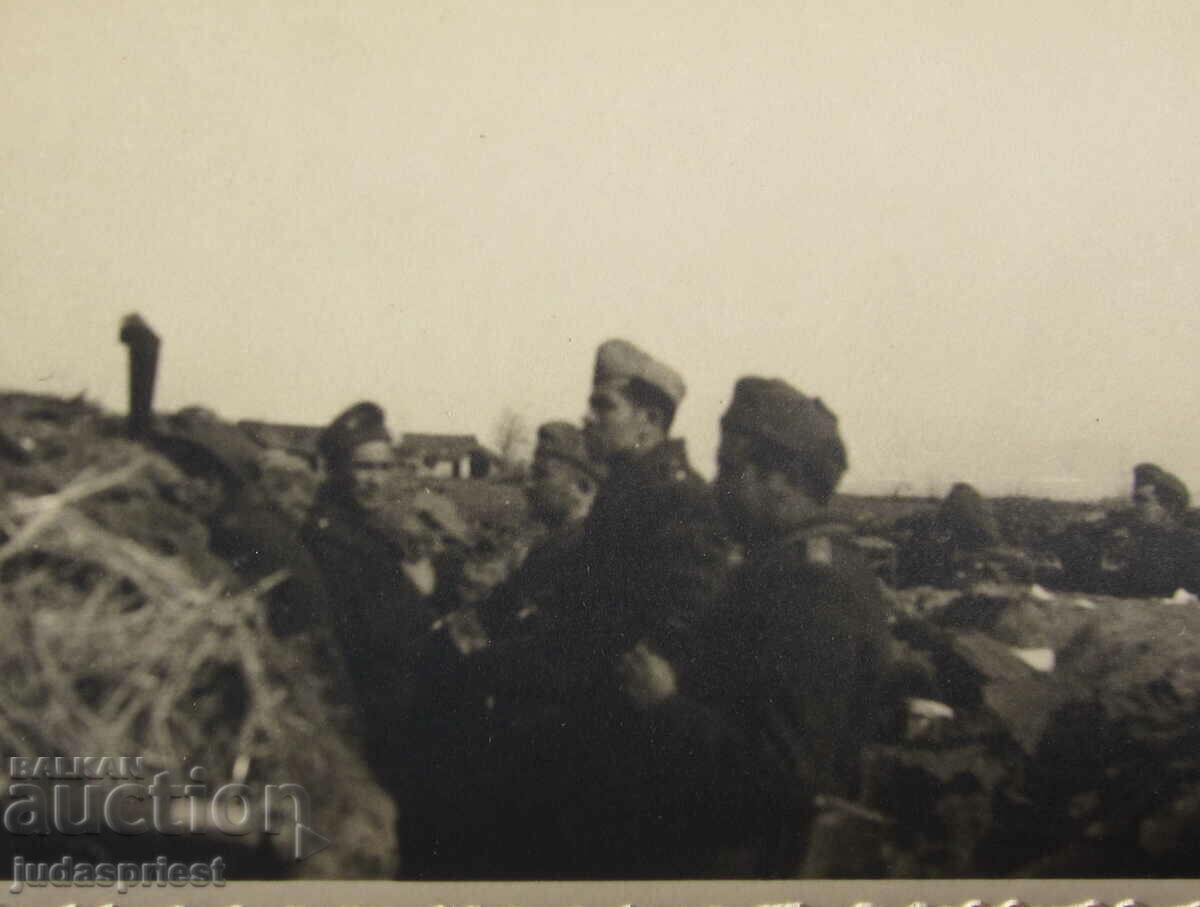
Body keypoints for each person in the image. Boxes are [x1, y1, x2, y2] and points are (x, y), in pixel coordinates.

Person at [625, 377, 892, 877]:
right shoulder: (796, 566)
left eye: (730, 469)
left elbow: (788, 772)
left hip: (754, 858)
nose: (718, 485)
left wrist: (666, 706)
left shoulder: (810, 585)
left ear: (782, 479)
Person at [300, 402, 435, 793]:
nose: (375, 480)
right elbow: (366, 633)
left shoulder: (365, 530)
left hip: (389, 707)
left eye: (383, 467)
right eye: (363, 467)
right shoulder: (329, 538)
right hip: (368, 714)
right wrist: (420, 592)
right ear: (338, 471)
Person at [1055, 463, 1200, 595]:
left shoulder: (1189, 544)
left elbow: (1144, 586)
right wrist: (1083, 532)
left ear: (1169, 508)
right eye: (1134, 500)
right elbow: (1095, 581)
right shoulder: (1149, 539)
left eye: (1142, 500)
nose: (1134, 507)